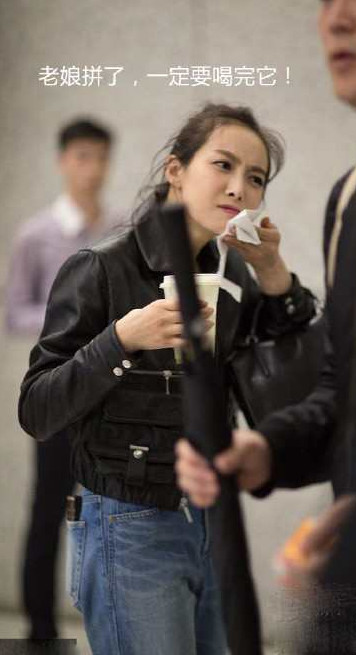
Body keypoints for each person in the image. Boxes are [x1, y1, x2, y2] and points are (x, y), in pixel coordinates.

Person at [18, 103, 316, 655]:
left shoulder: (235, 274)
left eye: (256, 178)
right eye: (223, 165)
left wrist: (274, 273)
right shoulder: (102, 267)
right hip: (126, 522)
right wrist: (121, 339)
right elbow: (36, 408)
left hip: (213, 518)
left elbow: (295, 387)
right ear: (176, 169)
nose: (240, 188)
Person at [176, 0, 356, 583]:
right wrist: (268, 449)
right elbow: (344, 388)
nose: (337, 19)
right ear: (175, 170)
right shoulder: (352, 197)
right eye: (327, 1)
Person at [5, 118, 117, 640]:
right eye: (81, 156)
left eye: (101, 157)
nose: (92, 169)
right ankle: (41, 630)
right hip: (55, 394)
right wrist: (67, 323)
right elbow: (14, 312)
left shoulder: (120, 230)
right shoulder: (36, 234)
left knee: (109, 513)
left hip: (109, 396)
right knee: (47, 510)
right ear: (63, 161)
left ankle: (108, 627)